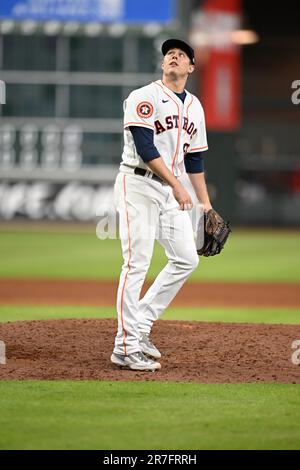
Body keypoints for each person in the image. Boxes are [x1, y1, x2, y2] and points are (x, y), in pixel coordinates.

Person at [111, 38, 212, 371]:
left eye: (181, 54)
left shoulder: (195, 106)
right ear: (163, 64)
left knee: (186, 259)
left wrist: (205, 204)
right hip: (137, 184)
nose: (174, 56)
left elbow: (194, 160)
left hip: (171, 190)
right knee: (137, 263)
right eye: (170, 53)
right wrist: (177, 187)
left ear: (190, 68)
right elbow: (145, 147)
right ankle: (124, 348)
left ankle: (139, 326)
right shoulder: (144, 97)